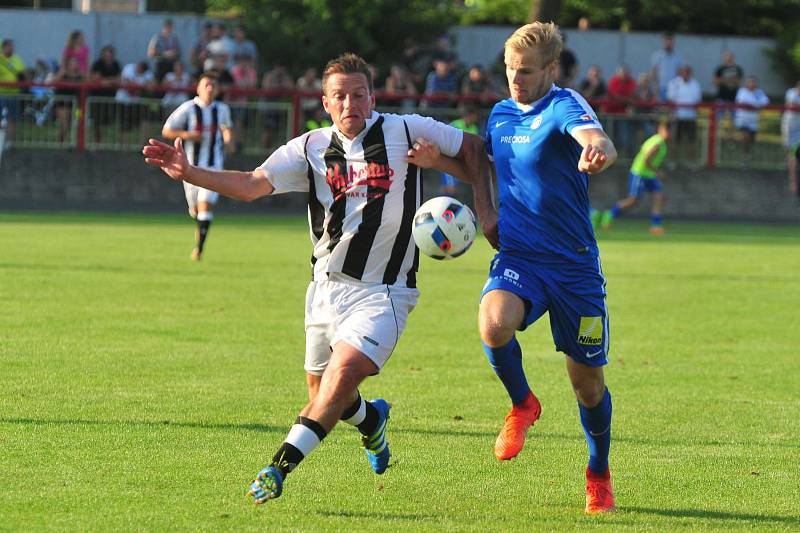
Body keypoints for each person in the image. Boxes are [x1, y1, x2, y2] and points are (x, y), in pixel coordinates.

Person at [143, 52, 497, 504]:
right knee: (325, 393)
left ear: (372, 98)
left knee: (341, 377)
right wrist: (190, 172)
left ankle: (278, 468)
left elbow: (473, 148)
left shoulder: (406, 129)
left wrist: (484, 212)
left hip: (385, 292)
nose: (350, 103)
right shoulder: (309, 148)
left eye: (359, 94)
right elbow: (253, 184)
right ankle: (372, 422)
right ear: (325, 102)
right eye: (340, 96)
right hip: (326, 290)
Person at [412, 21, 618, 515]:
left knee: (587, 386)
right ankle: (523, 404)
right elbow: (486, 167)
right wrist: (436, 158)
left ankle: (598, 474)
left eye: (525, 71)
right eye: (509, 70)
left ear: (550, 69)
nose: (515, 80)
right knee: (493, 321)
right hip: (520, 255)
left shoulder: (565, 104)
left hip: (573, 268)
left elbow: (598, 140)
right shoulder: (501, 114)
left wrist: (598, 152)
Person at [161, 71, 233, 260]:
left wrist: (229, 140)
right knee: (196, 210)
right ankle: (200, 225)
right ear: (198, 88)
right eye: (206, 84)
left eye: (213, 85)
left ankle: (199, 249)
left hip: (213, 167)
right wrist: (188, 135)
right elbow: (167, 130)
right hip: (190, 168)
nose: (210, 88)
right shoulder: (189, 108)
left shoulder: (222, 109)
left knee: (205, 205)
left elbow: (227, 128)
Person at [594, 121, 670, 235]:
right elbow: (646, 159)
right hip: (639, 173)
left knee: (659, 196)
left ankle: (656, 225)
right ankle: (609, 214)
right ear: (660, 129)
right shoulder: (657, 143)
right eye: (666, 130)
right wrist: (657, 171)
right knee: (633, 200)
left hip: (649, 175)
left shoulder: (657, 141)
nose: (668, 134)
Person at [440, 104, 480, 195]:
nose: (476, 118)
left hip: (463, 159)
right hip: (450, 157)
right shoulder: (455, 124)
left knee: (453, 188)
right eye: (475, 115)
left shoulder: (474, 128)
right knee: (450, 187)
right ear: (470, 115)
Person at [666, 65, 701, 166]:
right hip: (677, 117)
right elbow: (670, 99)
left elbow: (697, 100)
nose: (685, 74)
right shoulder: (673, 83)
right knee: (674, 140)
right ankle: (672, 162)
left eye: (687, 72)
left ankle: (690, 162)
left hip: (690, 116)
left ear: (690, 73)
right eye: (684, 71)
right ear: (680, 72)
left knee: (691, 140)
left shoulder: (695, 84)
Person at [734, 76, 769, 168]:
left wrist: (754, 105)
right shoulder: (742, 91)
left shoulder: (759, 93)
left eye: (753, 82)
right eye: (749, 82)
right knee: (746, 137)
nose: (751, 84)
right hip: (742, 120)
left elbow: (765, 102)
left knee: (750, 141)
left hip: (753, 122)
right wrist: (754, 105)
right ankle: (744, 159)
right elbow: (741, 102)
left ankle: (746, 157)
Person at [52, 56, 85, 144]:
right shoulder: (63, 73)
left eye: (75, 63)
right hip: (61, 103)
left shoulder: (80, 76)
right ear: (67, 64)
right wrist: (60, 74)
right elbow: (53, 82)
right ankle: (65, 141)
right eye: (71, 63)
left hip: (77, 105)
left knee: (77, 121)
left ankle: (67, 141)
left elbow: (87, 85)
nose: (73, 65)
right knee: (64, 123)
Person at [0, 39, 26, 146]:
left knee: (13, 119)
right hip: (1, 94)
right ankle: (1, 140)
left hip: (14, 94)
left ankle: (10, 141)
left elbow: (22, 74)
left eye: (12, 46)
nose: (11, 48)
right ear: (4, 47)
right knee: (1, 118)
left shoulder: (17, 59)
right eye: (9, 46)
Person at [781, 80, 800, 200]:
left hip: (799, 128)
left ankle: (793, 182)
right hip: (789, 126)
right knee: (790, 151)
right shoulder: (791, 93)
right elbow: (791, 106)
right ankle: (792, 181)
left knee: (794, 152)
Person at [651, 32, 683, 101]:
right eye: (666, 41)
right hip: (660, 88)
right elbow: (654, 73)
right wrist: (655, 89)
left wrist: (679, 88)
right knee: (660, 110)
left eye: (670, 41)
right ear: (663, 42)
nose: (668, 43)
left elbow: (680, 74)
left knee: (672, 110)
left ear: (673, 42)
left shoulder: (678, 56)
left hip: (674, 89)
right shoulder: (657, 55)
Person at [713, 51, 743, 124]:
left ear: (733, 58)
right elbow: (715, 82)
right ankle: (715, 135)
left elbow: (740, 82)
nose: (729, 58)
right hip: (721, 97)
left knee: (735, 120)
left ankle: (732, 135)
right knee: (716, 119)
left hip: (734, 98)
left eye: (730, 57)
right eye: (727, 57)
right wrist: (729, 79)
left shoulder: (738, 69)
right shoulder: (720, 68)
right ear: (723, 58)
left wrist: (725, 80)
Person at [147, 19, 181, 83]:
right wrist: (164, 54)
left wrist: (173, 53)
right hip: (161, 64)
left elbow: (179, 52)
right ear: (164, 27)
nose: (170, 29)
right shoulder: (157, 37)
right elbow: (150, 53)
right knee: (158, 81)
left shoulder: (174, 38)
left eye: (171, 27)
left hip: (171, 64)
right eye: (168, 27)